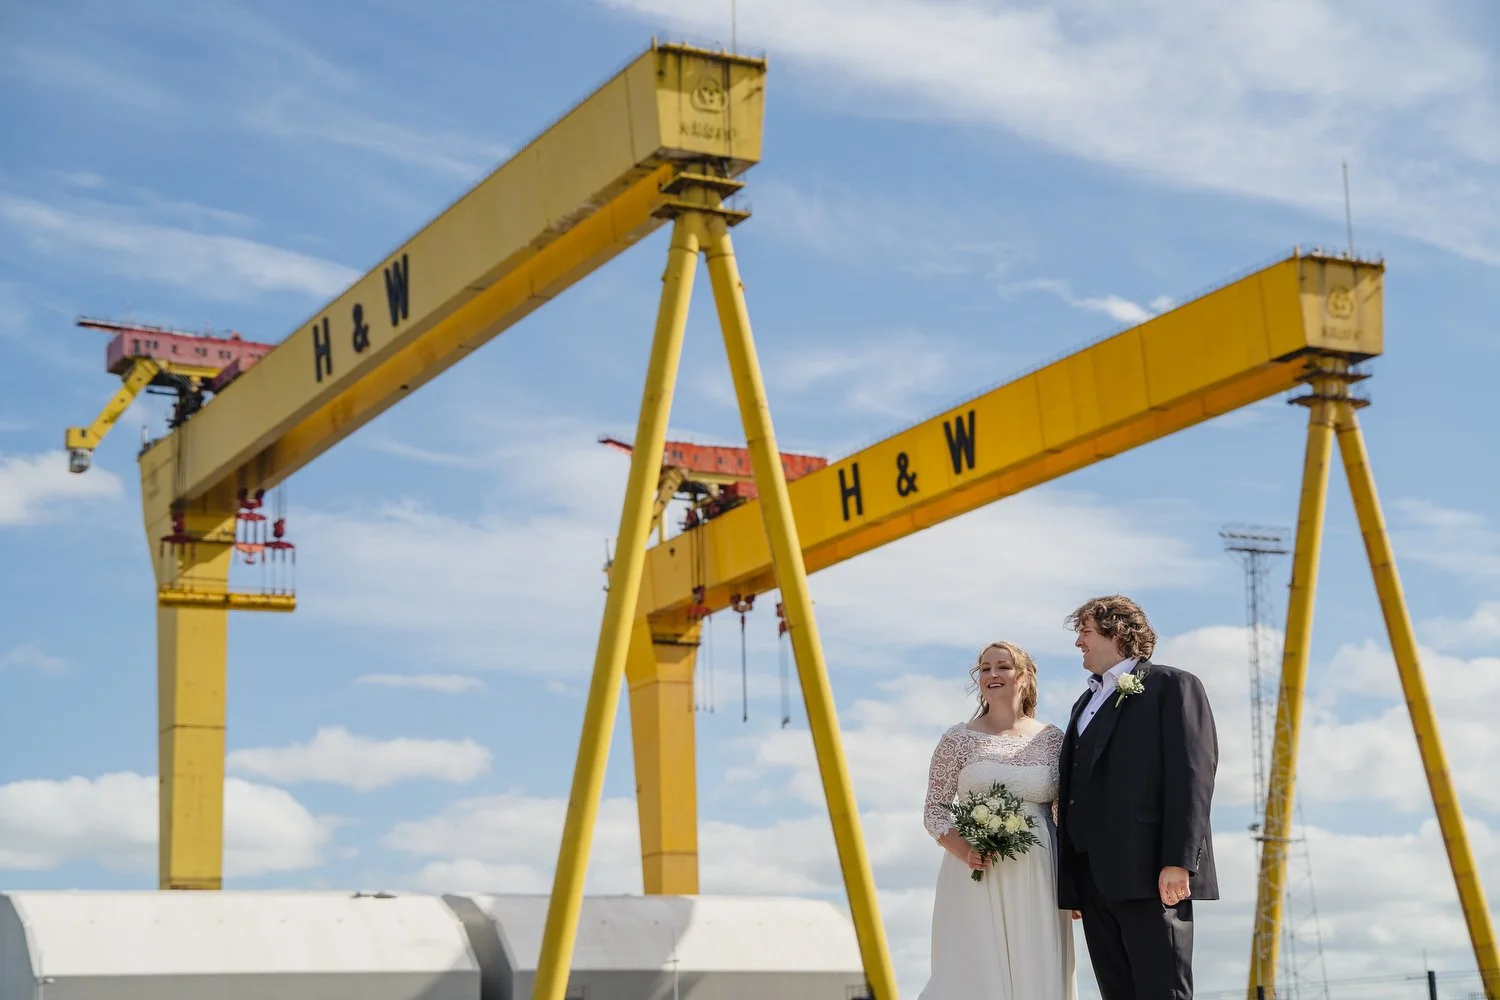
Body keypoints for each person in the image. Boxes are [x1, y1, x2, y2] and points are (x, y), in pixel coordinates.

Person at [1056, 595, 1219, 1000]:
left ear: (1119, 633)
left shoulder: (1173, 685)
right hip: (1093, 877)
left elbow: (1192, 776)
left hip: (1151, 873)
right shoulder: (1084, 702)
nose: (1079, 642)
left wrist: (1179, 861)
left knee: (1163, 991)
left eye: (1085, 631)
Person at [919, 640, 1078, 1000]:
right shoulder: (957, 739)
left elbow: (1066, 816)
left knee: (1037, 963)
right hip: (975, 870)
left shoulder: (1054, 740)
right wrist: (965, 849)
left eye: (1002, 667)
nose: (992, 674)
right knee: (974, 968)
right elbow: (935, 809)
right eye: (985, 668)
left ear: (1023, 677)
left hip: (1039, 871)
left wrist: (1075, 883)